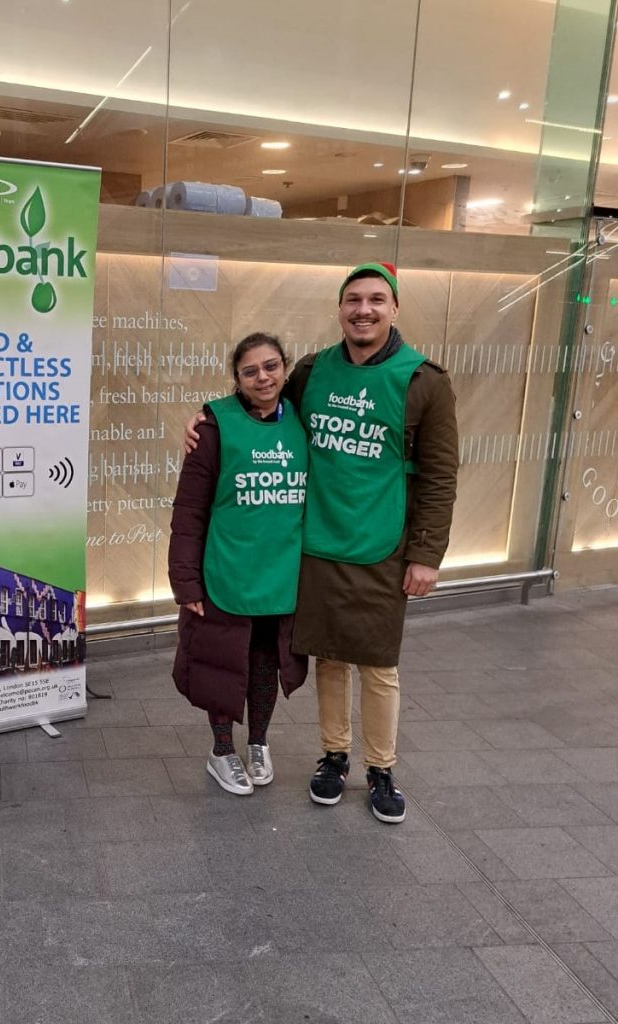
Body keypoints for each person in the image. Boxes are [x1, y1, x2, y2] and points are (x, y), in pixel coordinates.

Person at [185, 263, 458, 821]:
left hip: (383, 544)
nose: (364, 309)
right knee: (330, 658)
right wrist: (201, 419)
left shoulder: (425, 381)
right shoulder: (312, 371)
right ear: (340, 308)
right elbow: (256, 399)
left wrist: (427, 554)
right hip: (315, 544)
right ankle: (333, 757)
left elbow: (440, 475)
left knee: (378, 665)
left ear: (395, 308)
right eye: (353, 299)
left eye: (376, 300)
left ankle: (381, 767)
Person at [169, 332, 309, 796]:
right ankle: (222, 752)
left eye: (271, 366)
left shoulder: (303, 421)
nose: (262, 377)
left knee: (266, 663)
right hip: (225, 572)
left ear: (285, 368)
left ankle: (259, 742)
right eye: (250, 371)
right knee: (223, 666)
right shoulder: (213, 427)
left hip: (280, 573)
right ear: (237, 379)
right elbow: (189, 510)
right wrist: (185, 582)